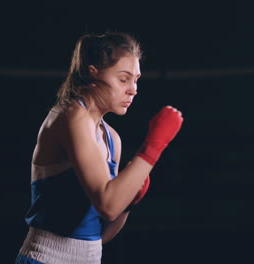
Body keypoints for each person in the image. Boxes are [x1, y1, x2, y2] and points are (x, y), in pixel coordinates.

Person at [15, 32, 184, 264]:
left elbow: (101, 234)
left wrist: (129, 202)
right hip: (46, 258)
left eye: (136, 79)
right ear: (92, 73)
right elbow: (108, 204)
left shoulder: (112, 138)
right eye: (124, 79)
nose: (133, 89)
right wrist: (153, 146)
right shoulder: (71, 116)